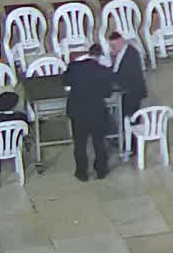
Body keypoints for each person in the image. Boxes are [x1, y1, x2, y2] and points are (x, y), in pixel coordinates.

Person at [61, 43, 116, 181]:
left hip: (77, 111)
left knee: (79, 143)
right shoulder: (103, 71)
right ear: (99, 56)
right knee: (98, 142)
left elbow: (65, 82)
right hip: (96, 111)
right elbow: (108, 93)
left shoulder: (74, 67)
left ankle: (81, 173)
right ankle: (101, 171)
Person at [107, 31, 146, 160]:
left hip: (132, 92)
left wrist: (111, 78)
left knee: (131, 119)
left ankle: (133, 146)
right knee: (125, 118)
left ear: (121, 41)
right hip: (125, 90)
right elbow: (116, 69)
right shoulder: (121, 53)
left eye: (115, 46)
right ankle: (125, 141)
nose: (113, 49)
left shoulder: (132, 55)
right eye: (112, 46)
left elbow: (126, 76)